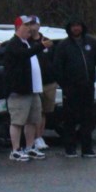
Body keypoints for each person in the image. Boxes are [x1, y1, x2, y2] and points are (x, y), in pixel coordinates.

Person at [52, 18, 96, 158]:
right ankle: (70, 148)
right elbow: (57, 67)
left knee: (87, 119)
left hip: (88, 87)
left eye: (78, 25)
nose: (76, 28)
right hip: (70, 88)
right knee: (69, 119)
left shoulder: (91, 43)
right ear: (69, 28)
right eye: (73, 26)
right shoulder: (63, 45)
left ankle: (87, 149)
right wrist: (64, 85)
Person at [3, 15, 50, 162]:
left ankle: (29, 147)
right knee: (17, 121)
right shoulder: (14, 44)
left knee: (32, 120)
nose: (29, 28)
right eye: (26, 25)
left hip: (33, 89)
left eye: (30, 25)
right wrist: (42, 46)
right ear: (18, 28)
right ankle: (15, 149)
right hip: (19, 90)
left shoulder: (27, 43)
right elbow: (23, 55)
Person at [27, 21, 58, 152]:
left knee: (44, 112)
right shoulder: (26, 43)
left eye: (35, 24)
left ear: (39, 26)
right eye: (30, 24)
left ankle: (40, 136)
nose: (33, 27)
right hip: (34, 83)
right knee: (35, 112)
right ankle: (33, 138)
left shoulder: (48, 41)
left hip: (49, 81)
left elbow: (55, 59)